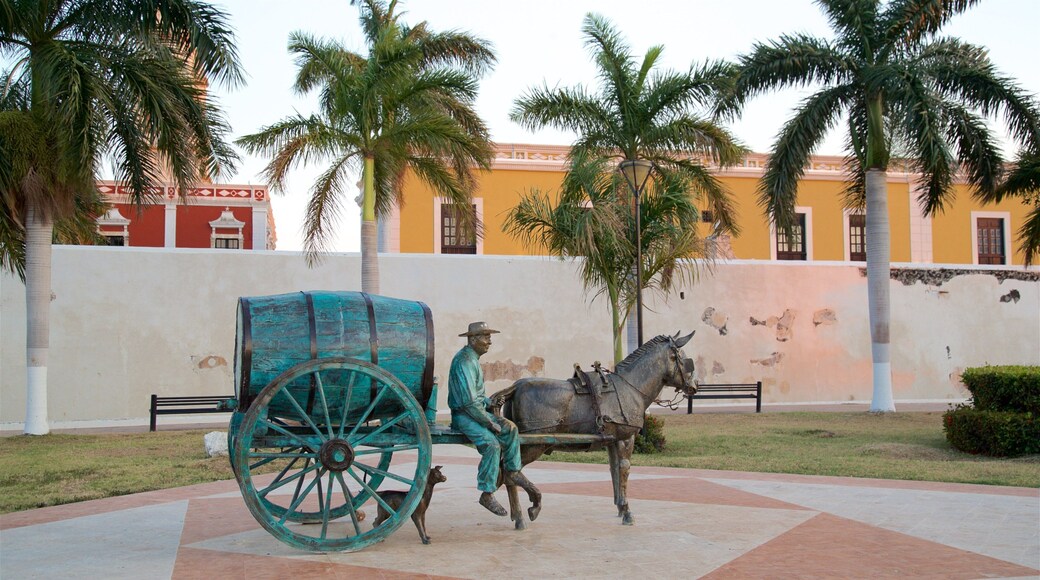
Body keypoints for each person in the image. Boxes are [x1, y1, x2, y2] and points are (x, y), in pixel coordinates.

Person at [448, 321, 530, 516]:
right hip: (464, 416)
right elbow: (468, 402)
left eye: (489, 337)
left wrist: (489, 401)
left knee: (510, 429)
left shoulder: (473, 359)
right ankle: (487, 492)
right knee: (491, 444)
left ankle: (513, 471)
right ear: (473, 339)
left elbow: (475, 396)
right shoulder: (465, 361)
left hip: (476, 411)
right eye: (486, 337)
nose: (489, 342)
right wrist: (489, 422)